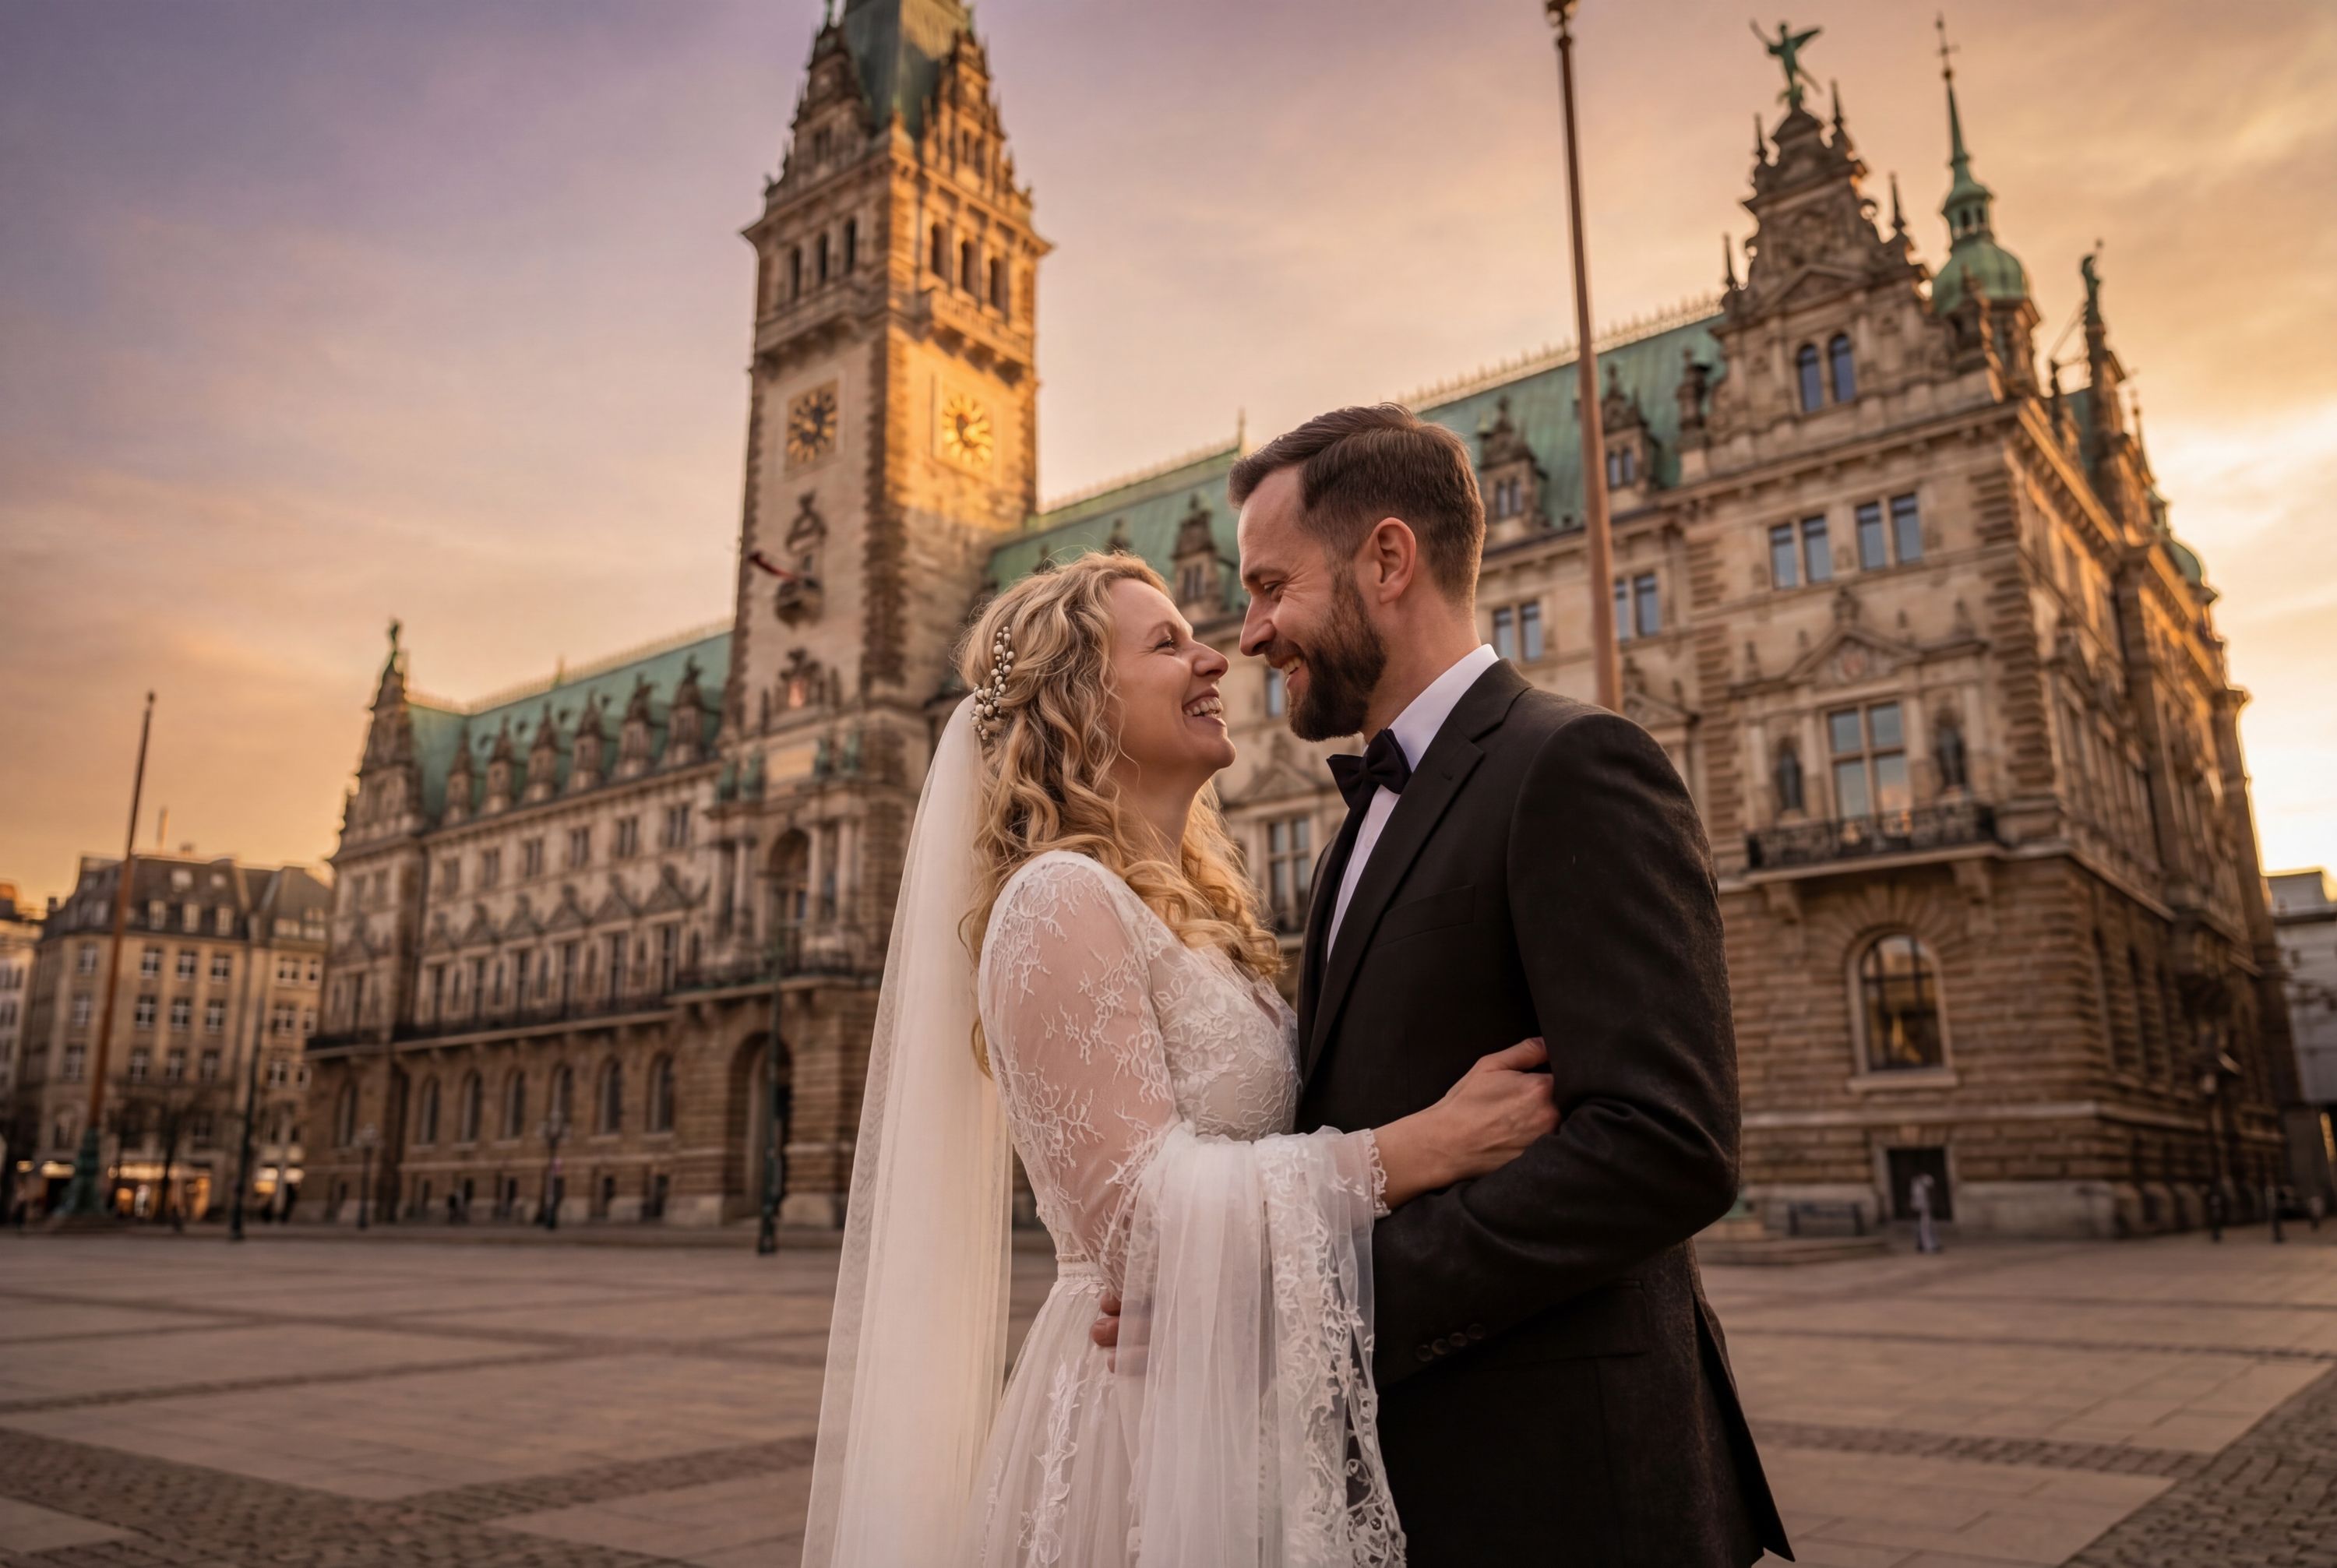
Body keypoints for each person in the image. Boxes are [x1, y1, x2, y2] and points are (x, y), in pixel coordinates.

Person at [1095, 404, 1789, 1565]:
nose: (1251, 634)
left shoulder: (1573, 761)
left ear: (1386, 558)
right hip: (1412, 1485)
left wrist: (1311, 1305)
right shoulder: (1355, 823)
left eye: (1271, 586)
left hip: (1570, 1489)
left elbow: (1667, 1143)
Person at [802, 550, 1556, 1566]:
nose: (1218, 658)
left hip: (1238, 1399)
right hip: (1141, 1436)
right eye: (1168, 643)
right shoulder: (1056, 900)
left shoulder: (1204, 913)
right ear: (1079, 698)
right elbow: (1138, 1221)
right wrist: (1423, 1147)